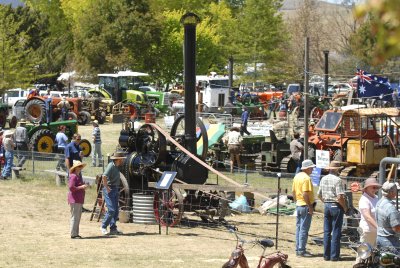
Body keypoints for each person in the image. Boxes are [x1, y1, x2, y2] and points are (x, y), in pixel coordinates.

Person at [317, 161, 346, 262]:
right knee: (336, 231)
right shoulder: (338, 180)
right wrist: (345, 207)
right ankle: (334, 256)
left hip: (327, 205)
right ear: (337, 169)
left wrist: (325, 202)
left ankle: (326, 255)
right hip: (336, 206)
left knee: (326, 232)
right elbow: (340, 197)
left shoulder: (323, 178)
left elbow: (319, 194)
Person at [292, 159, 316, 257]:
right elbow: (305, 193)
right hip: (305, 206)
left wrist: (296, 201)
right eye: (311, 168)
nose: (312, 170)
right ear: (307, 168)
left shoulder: (297, 176)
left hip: (299, 205)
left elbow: (293, 192)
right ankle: (302, 250)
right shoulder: (306, 178)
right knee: (304, 229)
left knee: (298, 228)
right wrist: (310, 206)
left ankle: (298, 248)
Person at [101, 151, 126, 235]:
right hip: (110, 189)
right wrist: (106, 187)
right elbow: (104, 176)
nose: (123, 160)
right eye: (122, 159)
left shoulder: (117, 166)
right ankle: (103, 226)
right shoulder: (111, 166)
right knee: (111, 210)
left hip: (115, 189)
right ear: (119, 159)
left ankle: (113, 228)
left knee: (116, 210)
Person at [355, 178, 381, 262]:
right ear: (366, 188)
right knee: (363, 254)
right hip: (367, 230)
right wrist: (378, 227)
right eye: (373, 187)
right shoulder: (364, 200)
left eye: (376, 187)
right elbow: (367, 216)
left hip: (375, 231)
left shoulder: (376, 198)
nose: (375, 189)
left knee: (374, 255)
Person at [375, 181, 400, 248]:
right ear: (391, 192)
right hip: (390, 241)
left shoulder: (379, 202)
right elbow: (396, 228)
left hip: (379, 238)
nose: (396, 193)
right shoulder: (390, 208)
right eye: (396, 191)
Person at [68, 160, 88, 239]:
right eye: (79, 167)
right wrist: (82, 187)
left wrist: (83, 186)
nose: (80, 168)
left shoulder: (77, 176)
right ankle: (73, 234)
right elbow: (71, 187)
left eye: (81, 167)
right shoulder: (73, 176)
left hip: (78, 199)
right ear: (76, 168)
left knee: (77, 217)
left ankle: (75, 233)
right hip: (75, 199)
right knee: (75, 217)